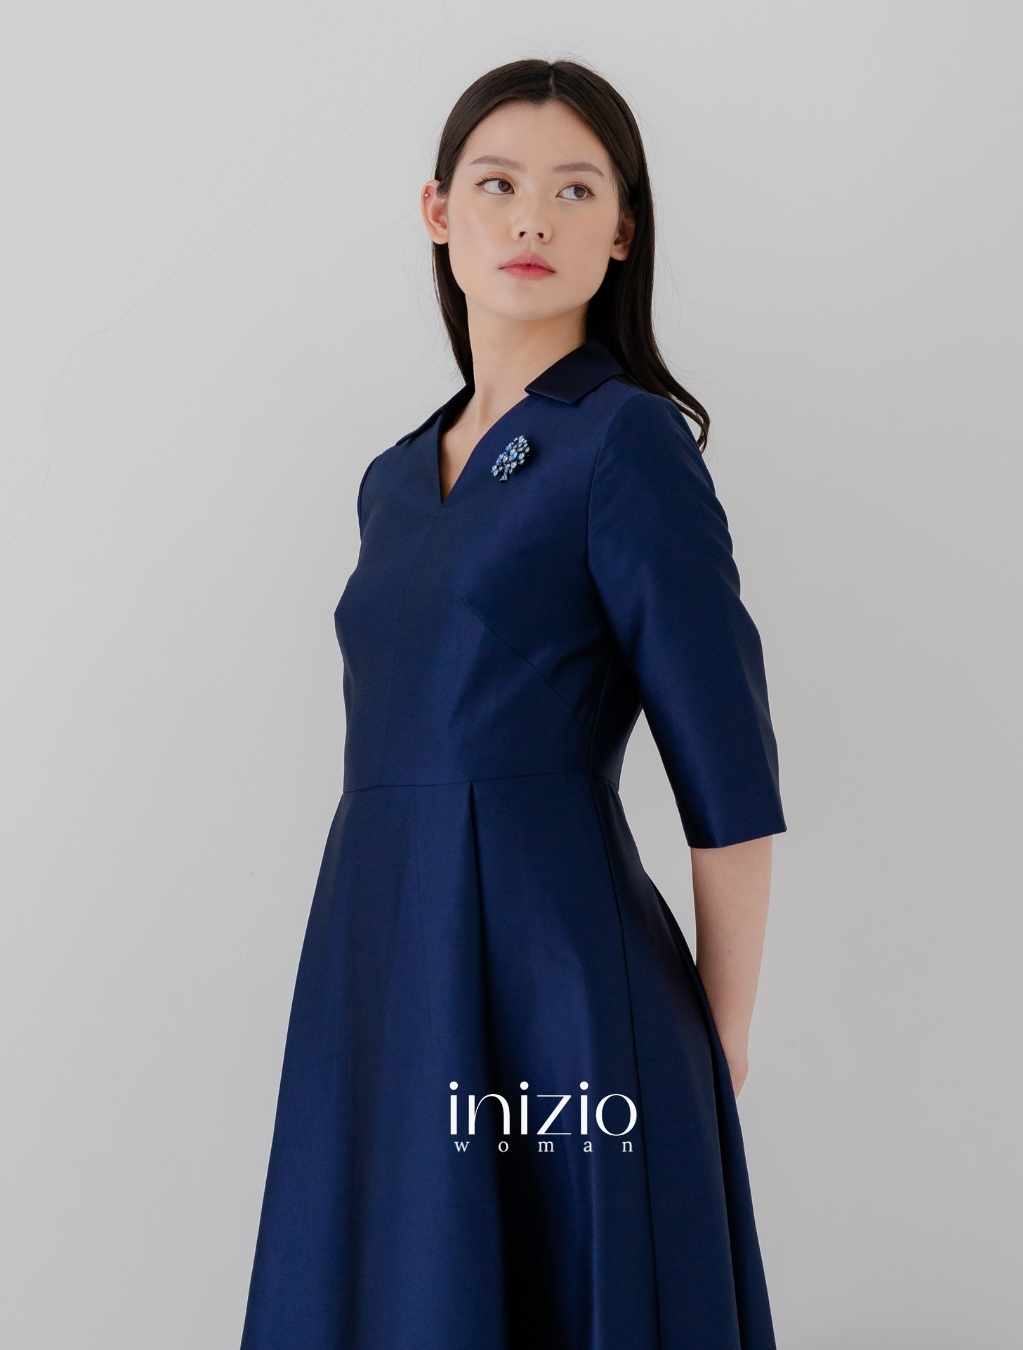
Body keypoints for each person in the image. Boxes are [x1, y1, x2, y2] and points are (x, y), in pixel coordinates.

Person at [240, 58, 788, 1350]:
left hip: (558, 978)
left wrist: (714, 1045)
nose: (532, 218)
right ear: (439, 211)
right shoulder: (392, 479)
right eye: (498, 184)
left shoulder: (627, 441)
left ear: (623, 230)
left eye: (575, 189)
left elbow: (728, 775)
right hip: (381, 956)